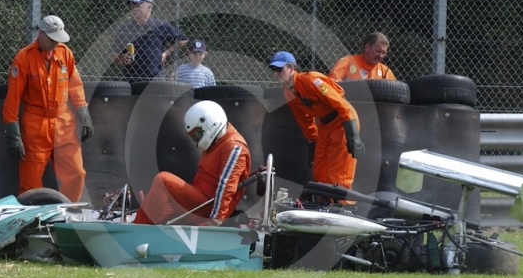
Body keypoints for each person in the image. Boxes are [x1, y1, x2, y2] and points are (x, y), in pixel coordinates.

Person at [3, 15, 93, 203]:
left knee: (76, 173)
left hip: (64, 122)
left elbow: (75, 87)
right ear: (41, 34)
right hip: (36, 124)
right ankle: (31, 223)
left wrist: (84, 114)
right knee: (30, 182)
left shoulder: (65, 53)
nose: (56, 43)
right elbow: (13, 98)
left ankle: (68, 216)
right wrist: (13, 132)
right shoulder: (24, 58)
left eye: (59, 39)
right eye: (52, 39)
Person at [133, 100, 250, 225]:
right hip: (200, 203)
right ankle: (140, 227)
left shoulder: (234, 147)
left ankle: (137, 229)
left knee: (163, 180)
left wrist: (215, 220)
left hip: (207, 209)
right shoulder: (218, 142)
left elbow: (227, 187)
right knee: (158, 208)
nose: (196, 139)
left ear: (210, 124)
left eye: (198, 134)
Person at [269, 51, 364, 190]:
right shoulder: (288, 92)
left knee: (338, 173)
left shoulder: (312, 80)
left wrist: (352, 134)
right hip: (325, 125)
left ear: (291, 68)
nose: (276, 73)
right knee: (319, 170)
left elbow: (340, 104)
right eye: (273, 70)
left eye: (279, 69)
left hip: (342, 121)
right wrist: (312, 144)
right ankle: (324, 204)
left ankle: (343, 206)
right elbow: (304, 121)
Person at [112, 0, 188, 83]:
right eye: (132, 6)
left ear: (149, 7)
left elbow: (183, 39)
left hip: (155, 78)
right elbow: (113, 54)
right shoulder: (125, 28)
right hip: (131, 78)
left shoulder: (160, 25)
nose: (134, 9)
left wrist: (166, 53)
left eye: (138, 6)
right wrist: (122, 57)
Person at [329, 31, 395, 81]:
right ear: (367, 47)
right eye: (378, 51)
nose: (380, 56)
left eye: (383, 53)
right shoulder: (347, 62)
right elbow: (332, 83)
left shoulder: (385, 71)